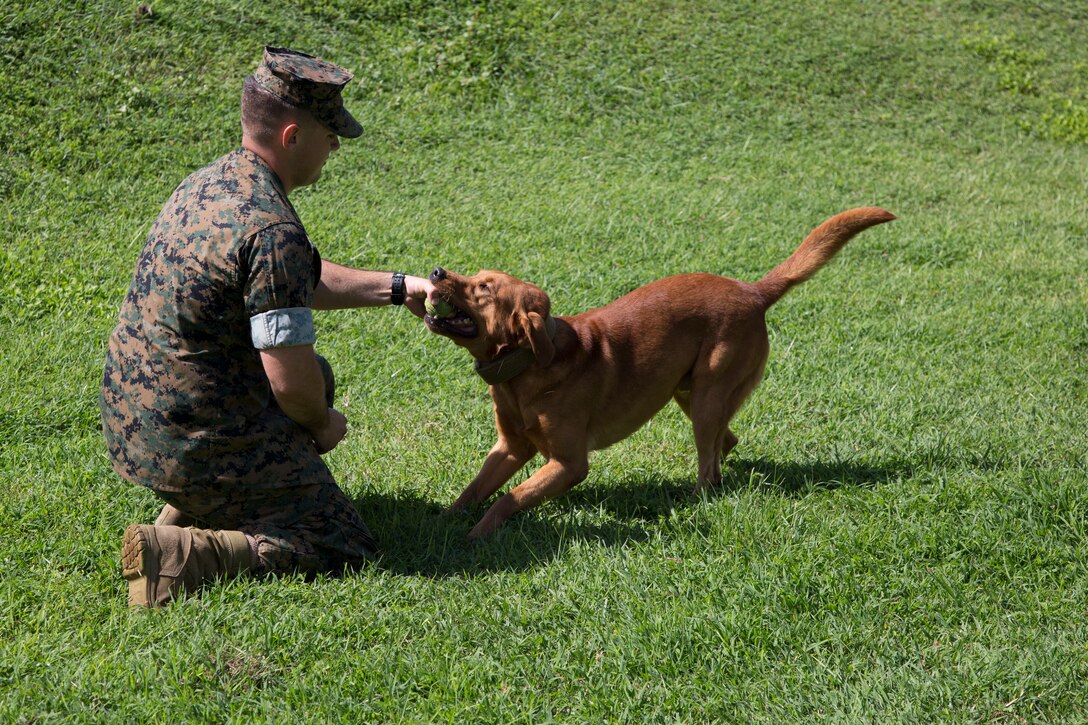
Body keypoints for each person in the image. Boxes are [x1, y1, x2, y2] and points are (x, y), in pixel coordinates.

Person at [100, 46, 434, 608]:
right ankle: (182, 554)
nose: (335, 144)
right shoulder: (271, 228)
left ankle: (203, 502)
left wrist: (400, 287)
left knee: (319, 376)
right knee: (340, 540)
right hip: (192, 437)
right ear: (291, 135)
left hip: (134, 418)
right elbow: (292, 388)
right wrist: (323, 424)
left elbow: (295, 280)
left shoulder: (211, 184)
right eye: (330, 131)